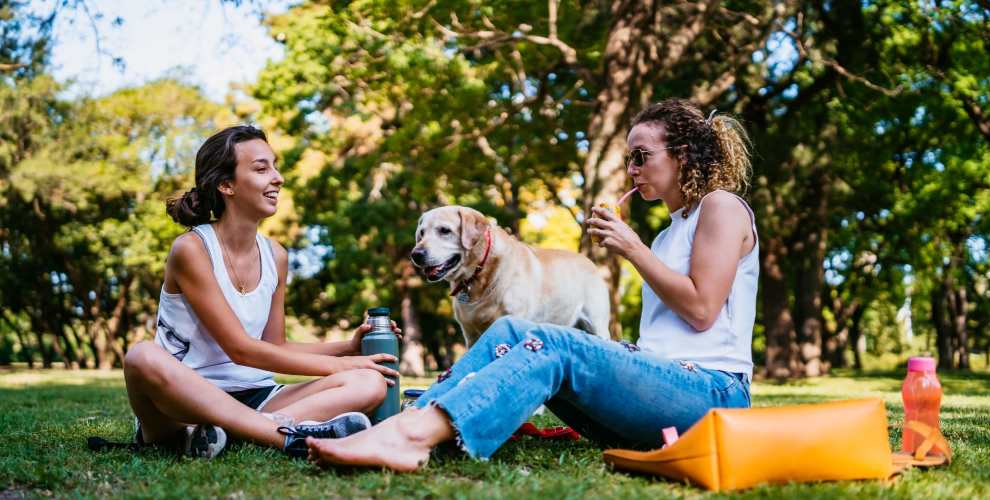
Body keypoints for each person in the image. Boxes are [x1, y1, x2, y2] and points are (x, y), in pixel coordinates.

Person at [305, 98, 759, 472]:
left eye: (641, 156)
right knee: (508, 331)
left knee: (554, 343)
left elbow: (702, 310)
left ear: (682, 154)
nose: (632, 169)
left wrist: (633, 249)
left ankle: (410, 437)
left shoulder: (720, 207)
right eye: (628, 159)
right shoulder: (668, 233)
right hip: (659, 400)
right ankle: (405, 424)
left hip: (711, 395)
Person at [123, 125, 402, 459]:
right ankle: (284, 435)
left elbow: (274, 346)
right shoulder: (192, 249)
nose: (278, 177)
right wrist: (340, 367)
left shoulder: (276, 256)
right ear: (226, 185)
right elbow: (240, 349)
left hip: (258, 395)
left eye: (275, 165)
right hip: (182, 402)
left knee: (368, 384)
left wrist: (347, 349)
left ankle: (231, 434)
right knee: (141, 356)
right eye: (261, 168)